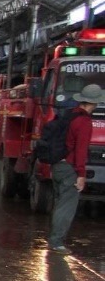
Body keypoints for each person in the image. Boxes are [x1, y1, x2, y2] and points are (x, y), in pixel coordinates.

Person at [48, 83, 100, 255]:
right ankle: (56, 242)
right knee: (66, 206)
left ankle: (54, 238)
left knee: (59, 203)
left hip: (57, 165)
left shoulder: (68, 115)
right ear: (94, 103)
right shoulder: (84, 121)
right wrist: (81, 174)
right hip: (70, 168)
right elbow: (81, 149)